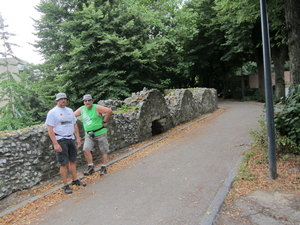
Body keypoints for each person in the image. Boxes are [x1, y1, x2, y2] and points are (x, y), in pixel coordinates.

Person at [45, 93, 87, 194]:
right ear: (57, 101)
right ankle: (65, 184)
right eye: (61, 99)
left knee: (72, 160)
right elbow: (50, 129)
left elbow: (74, 125)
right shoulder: (52, 112)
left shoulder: (69, 111)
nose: (63, 100)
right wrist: (55, 143)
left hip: (70, 138)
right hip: (61, 139)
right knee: (63, 163)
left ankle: (75, 180)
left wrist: (78, 138)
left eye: (64, 99)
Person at [74, 94, 112, 176]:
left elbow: (108, 111)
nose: (87, 102)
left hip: (100, 132)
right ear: (83, 102)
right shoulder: (82, 109)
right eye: (85, 101)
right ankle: (90, 167)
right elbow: (73, 115)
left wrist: (105, 121)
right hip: (89, 134)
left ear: (92, 101)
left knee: (103, 150)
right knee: (86, 150)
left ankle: (103, 167)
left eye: (89, 100)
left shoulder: (96, 107)